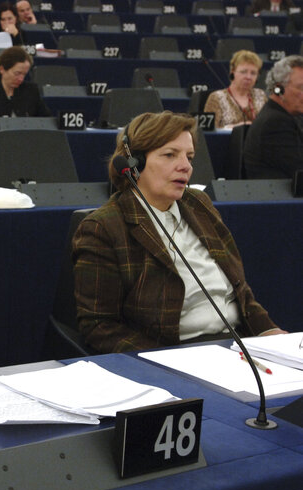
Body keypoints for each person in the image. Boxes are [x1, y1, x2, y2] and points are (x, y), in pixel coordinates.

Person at [72, 111, 284, 354]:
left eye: (190, 157)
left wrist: (269, 333)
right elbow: (99, 327)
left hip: (239, 346)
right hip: (172, 353)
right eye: (170, 155)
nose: (186, 166)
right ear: (134, 163)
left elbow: (240, 291)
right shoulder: (104, 227)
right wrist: (164, 362)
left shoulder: (199, 204)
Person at [243, 55, 303, 179]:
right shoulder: (275, 123)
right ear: (278, 89)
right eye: (301, 87)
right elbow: (298, 169)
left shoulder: (289, 116)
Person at [0, 46, 51, 128]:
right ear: (2, 69)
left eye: (24, 74)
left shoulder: (31, 91)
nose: (21, 79)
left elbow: (46, 121)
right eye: (17, 73)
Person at [203, 50, 267, 129]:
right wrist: (234, 128)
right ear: (232, 72)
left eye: (253, 73)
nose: (248, 77)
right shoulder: (217, 98)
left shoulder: (260, 95)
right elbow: (209, 132)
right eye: (243, 72)